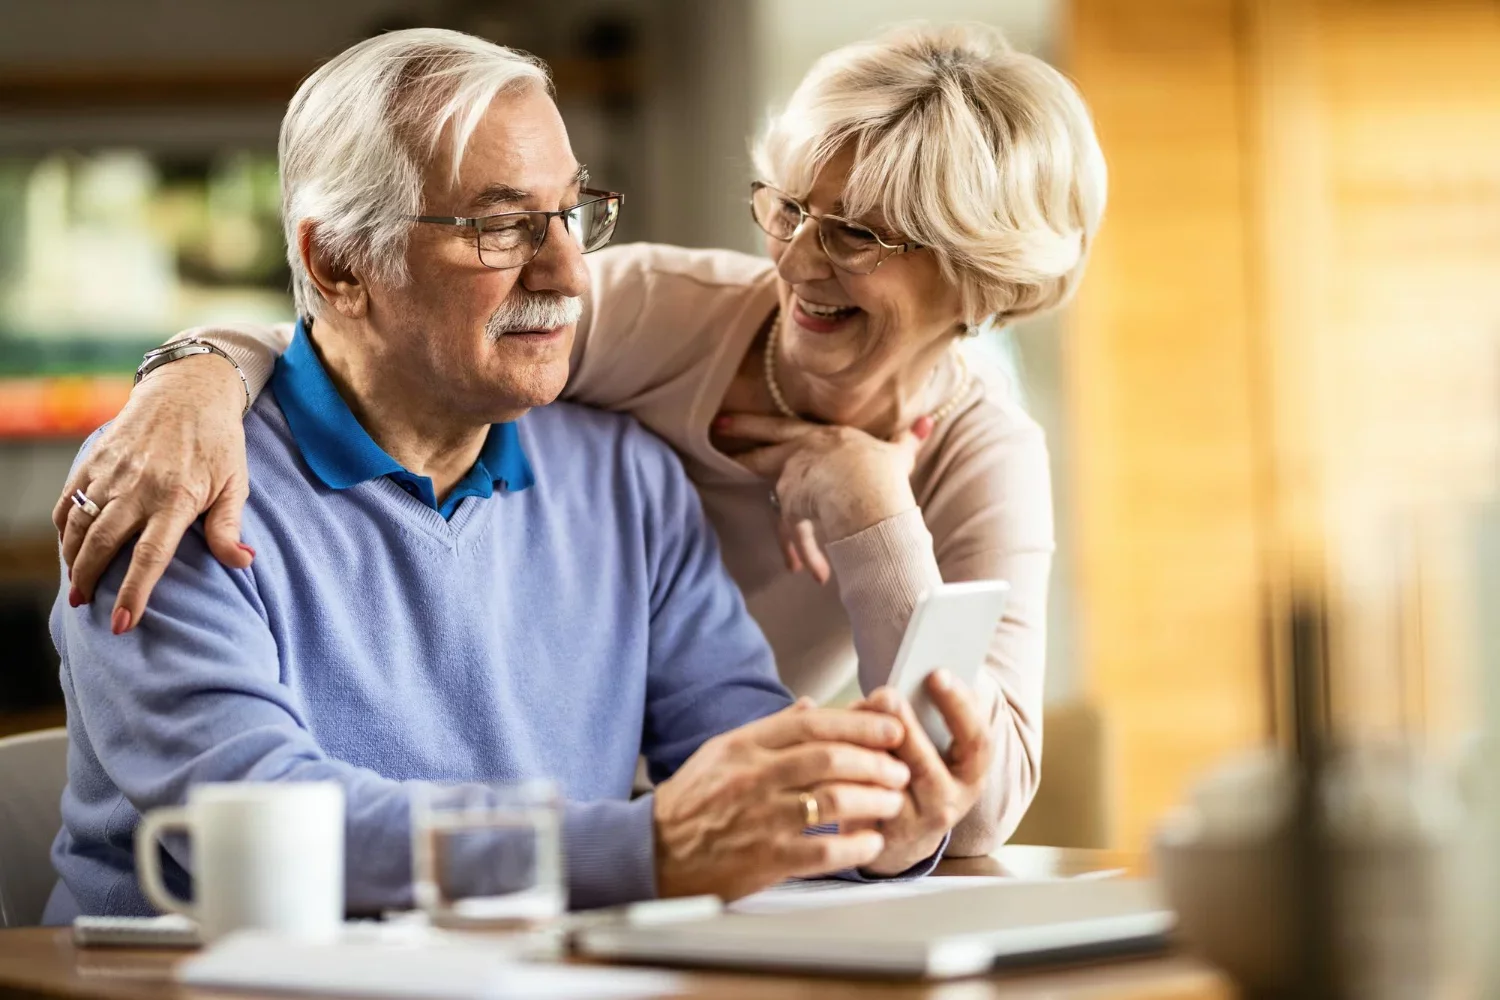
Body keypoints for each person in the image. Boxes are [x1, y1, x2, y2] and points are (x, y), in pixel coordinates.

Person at [55, 23, 1105, 854]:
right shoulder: (174, 493)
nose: (568, 276)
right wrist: (187, 373)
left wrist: (876, 813)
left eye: (571, 215)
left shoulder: (628, 476)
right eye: (502, 225)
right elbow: (347, 338)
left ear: (979, 274)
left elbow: (835, 777)